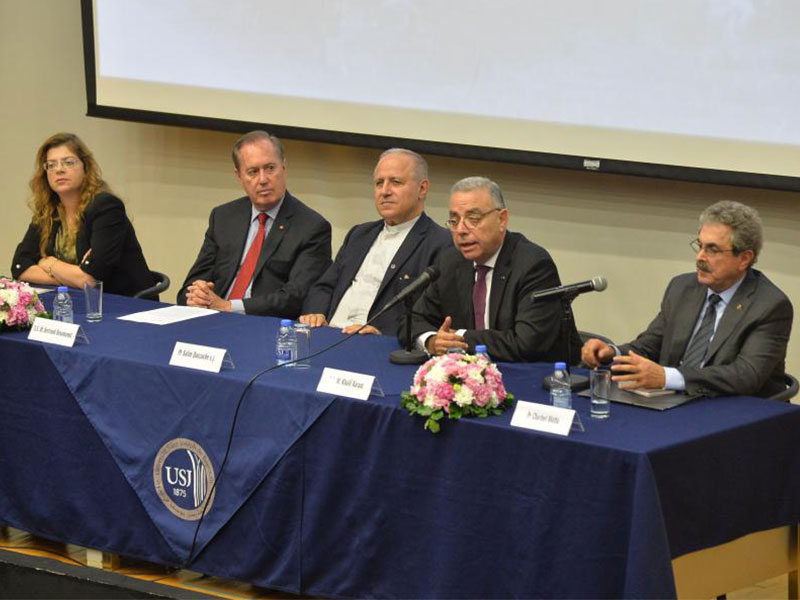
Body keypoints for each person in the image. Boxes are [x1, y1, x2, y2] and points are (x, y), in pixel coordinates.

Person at [581, 200, 793, 398]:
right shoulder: (683, 288)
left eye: (712, 249)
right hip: (675, 403)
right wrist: (612, 353)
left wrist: (667, 377)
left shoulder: (769, 306)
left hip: (739, 411)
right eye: (700, 246)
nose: (700, 257)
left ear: (744, 258)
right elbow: (650, 346)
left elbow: (745, 376)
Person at [406, 176, 580, 363]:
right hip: (469, 375)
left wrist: (459, 338)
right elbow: (413, 320)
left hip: (532, 374)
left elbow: (527, 343)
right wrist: (432, 341)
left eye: (473, 219)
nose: (461, 230)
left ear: (501, 219)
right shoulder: (451, 261)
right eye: (454, 220)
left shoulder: (533, 264)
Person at [177, 131, 331, 317]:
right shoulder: (224, 217)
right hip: (212, 317)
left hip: (263, 323)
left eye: (270, 168)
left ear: (284, 167)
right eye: (253, 172)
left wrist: (229, 307)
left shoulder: (312, 227)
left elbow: (295, 297)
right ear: (239, 176)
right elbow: (191, 284)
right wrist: (198, 294)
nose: (263, 179)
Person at [299, 149, 451, 336]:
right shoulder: (359, 234)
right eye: (379, 183)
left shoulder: (441, 244)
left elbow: (429, 315)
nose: (385, 191)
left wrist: (382, 334)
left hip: (377, 342)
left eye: (395, 182)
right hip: (329, 333)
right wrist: (316, 313)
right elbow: (324, 286)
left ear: (422, 188)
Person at [11, 133, 156, 297]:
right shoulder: (48, 211)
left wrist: (50, 263)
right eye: (51, 165)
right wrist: (72, 277)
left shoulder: (106, 207)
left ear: (85, 168)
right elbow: (19, 267)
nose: (59, 169)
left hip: (125, 302)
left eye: (68, 162)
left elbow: (91, 279)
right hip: (76, 299)